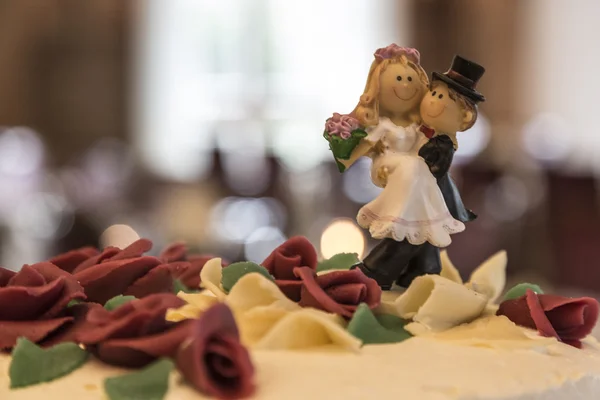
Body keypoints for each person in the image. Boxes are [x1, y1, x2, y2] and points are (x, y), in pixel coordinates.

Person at [357, 55, 486, 289]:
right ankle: (424, 271)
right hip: (418, 193)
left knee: (405, 232)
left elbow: (432, 170)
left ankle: (377, 271)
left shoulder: (442, 145)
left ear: (464, 118)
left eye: (441, 98)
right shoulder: (418, 130)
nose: (432, 101)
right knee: (424, 240)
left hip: (430, 195)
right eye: (434, 93)